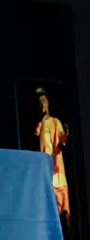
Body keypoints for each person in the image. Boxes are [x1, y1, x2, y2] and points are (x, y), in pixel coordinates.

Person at [36, 88, 71, 221]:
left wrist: (65, 136)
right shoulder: (39, 125)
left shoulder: (56, 122)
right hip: (47, 170)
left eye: (44, 101)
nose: (42, 104)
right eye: (40, 102)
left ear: (48, 104)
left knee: (65, 208)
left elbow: (62, 139)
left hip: (57, 168)